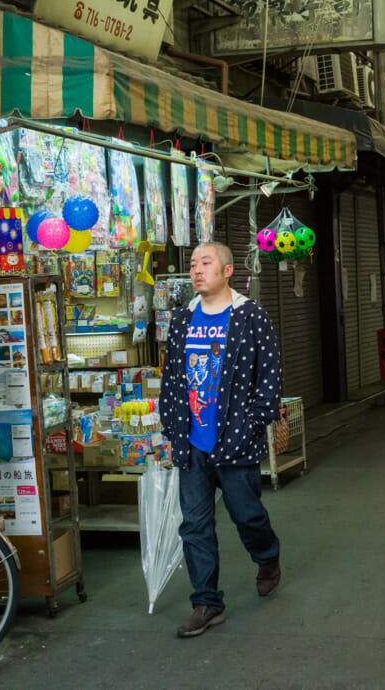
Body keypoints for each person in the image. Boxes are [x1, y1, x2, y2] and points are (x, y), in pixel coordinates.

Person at [159, 242, 283, 638]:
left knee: (246, 514)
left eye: (206, 262)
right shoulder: (181, 319)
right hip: (192, 441)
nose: (197, 270)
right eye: (193, 264)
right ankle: (206, 603)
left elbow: (269, 376)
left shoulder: (250, 316)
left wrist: (252, 421)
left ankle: (267, 556)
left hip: (235, 440)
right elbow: (172, 379)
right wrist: (171, 427)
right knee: (194, 526)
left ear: (227, 271)